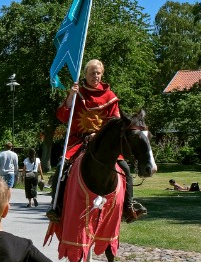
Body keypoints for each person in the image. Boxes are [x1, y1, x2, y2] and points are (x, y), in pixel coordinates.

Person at [47, 59, 145, 223]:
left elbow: (116, 122)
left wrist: (99, 135)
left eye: (98, 73)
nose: (96, 76)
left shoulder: (110, 96)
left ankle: (129, 207)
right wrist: (71, 95)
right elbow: (63, 117)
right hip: (78, 140)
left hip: (103, 143)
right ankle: (56, 206)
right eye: (92, 73)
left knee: (126, 169)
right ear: (85, 74)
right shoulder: (78, 92)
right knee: (61, 166)